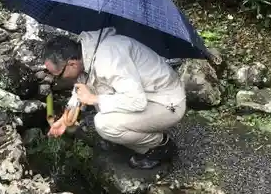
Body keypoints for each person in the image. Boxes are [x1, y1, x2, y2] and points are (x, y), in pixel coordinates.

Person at [42, 27, 187, 170]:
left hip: (165, 102)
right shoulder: (85, 52)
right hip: (144, 94)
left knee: (104, 124)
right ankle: (128, 134)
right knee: (101, 102)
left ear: (72, 64)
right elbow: (81, 87)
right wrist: (64, 120)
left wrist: (94, 99)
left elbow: (137, 101)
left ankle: (161, 145)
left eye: (58, 76)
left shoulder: (109, 58)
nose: (56, 79)